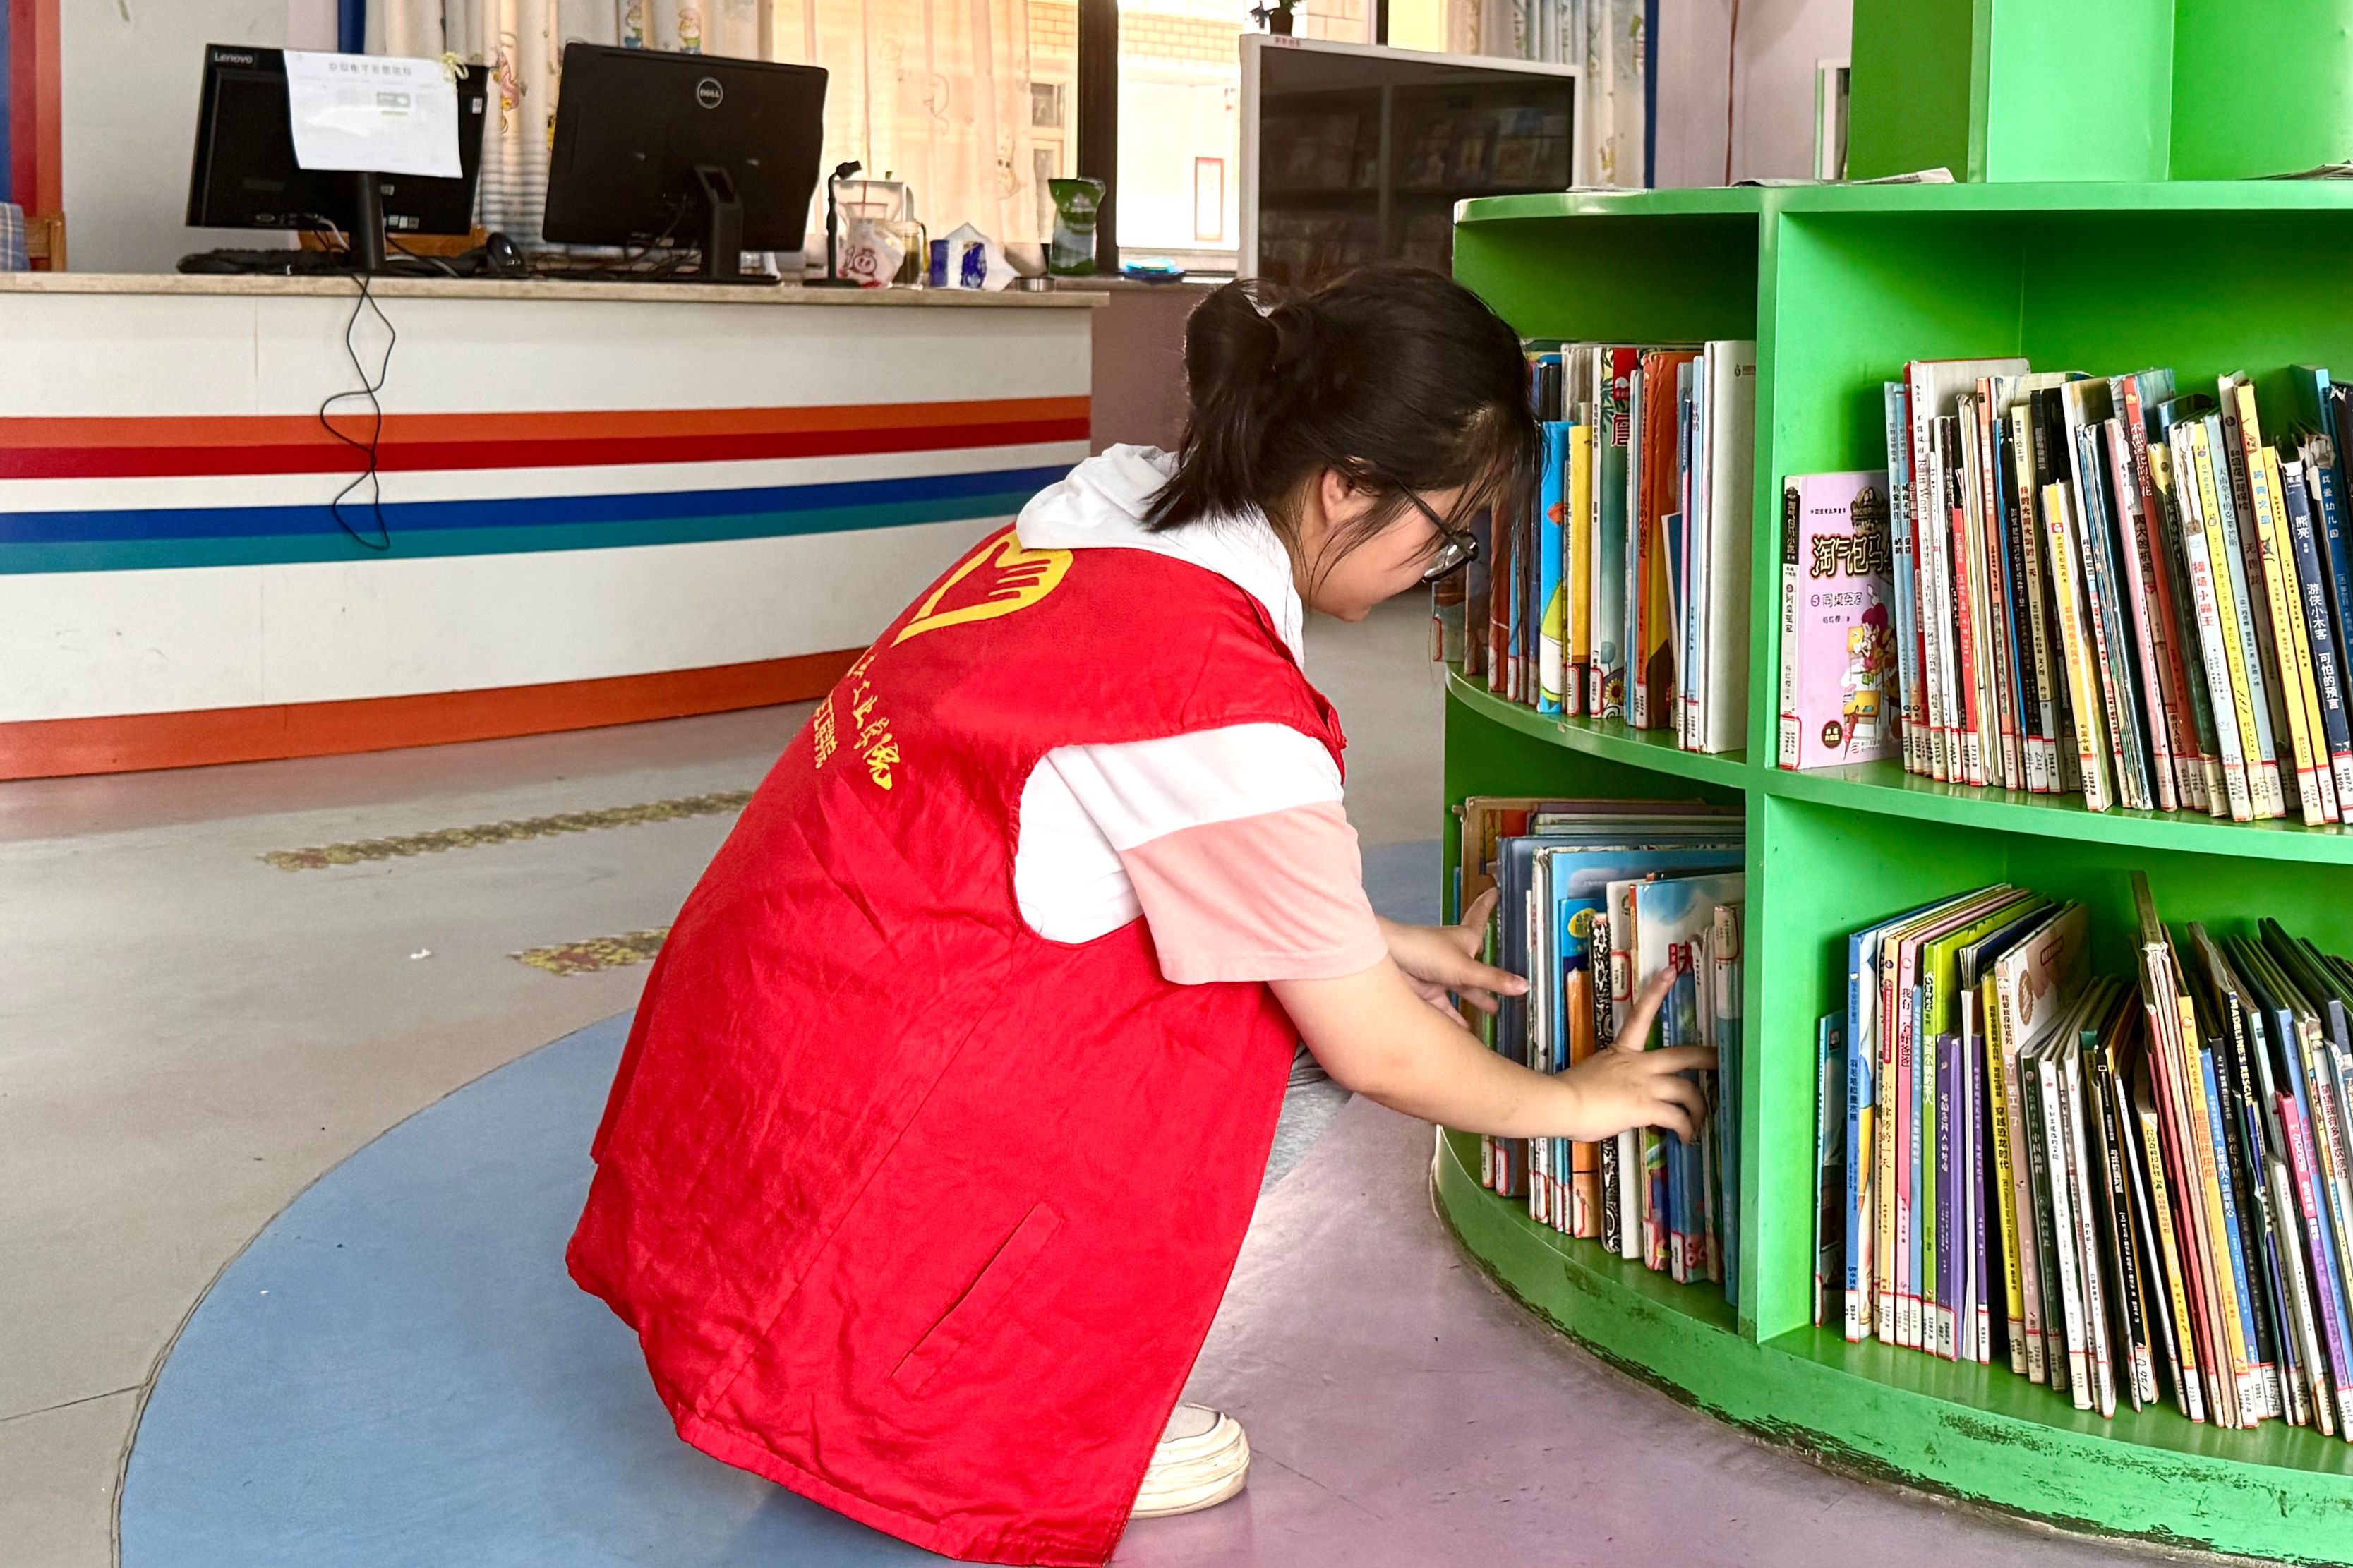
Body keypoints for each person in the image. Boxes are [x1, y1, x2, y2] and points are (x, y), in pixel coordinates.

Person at [567, 265, 1711, 1568]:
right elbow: (1377, 1051)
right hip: (867, 1138)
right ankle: (989, 1396)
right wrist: (1579, 1103)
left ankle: (902, 1344)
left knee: (1309, 981)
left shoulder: (1110, 514)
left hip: (762, 1073)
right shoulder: (1212, 694)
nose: (1438, 571)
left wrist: (1376, 938)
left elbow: (1099, 828)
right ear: (1345, 485)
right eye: (1445, 536)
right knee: (1273, 1034)